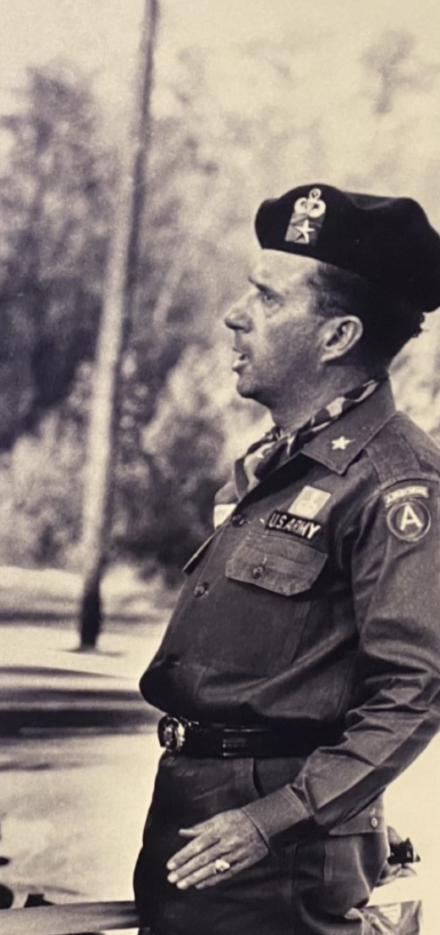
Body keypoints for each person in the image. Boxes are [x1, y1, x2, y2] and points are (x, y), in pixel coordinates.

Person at [133, 183, 440, 934]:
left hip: (276, 848)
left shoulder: (394, 481)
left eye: (267, 299)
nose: (236, 316)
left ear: (336, 337)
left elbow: (416, 687)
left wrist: (275, 819)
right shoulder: (276, 465)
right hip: (199, 811)